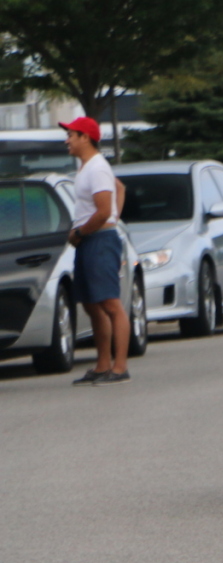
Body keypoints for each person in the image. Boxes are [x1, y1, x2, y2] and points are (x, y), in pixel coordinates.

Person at [61, 117, 132, 386]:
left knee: (110, 304)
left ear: (85, 138)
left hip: (99, 240)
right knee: (92, 304)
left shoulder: (97, 168)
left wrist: (82, 231)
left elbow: (103, 211)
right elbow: (120, 188)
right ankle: (103, 365)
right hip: (91, 240)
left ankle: (120, 366)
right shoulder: (88, 168)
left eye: (71, 135)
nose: (67, 140)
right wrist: (112, 217)